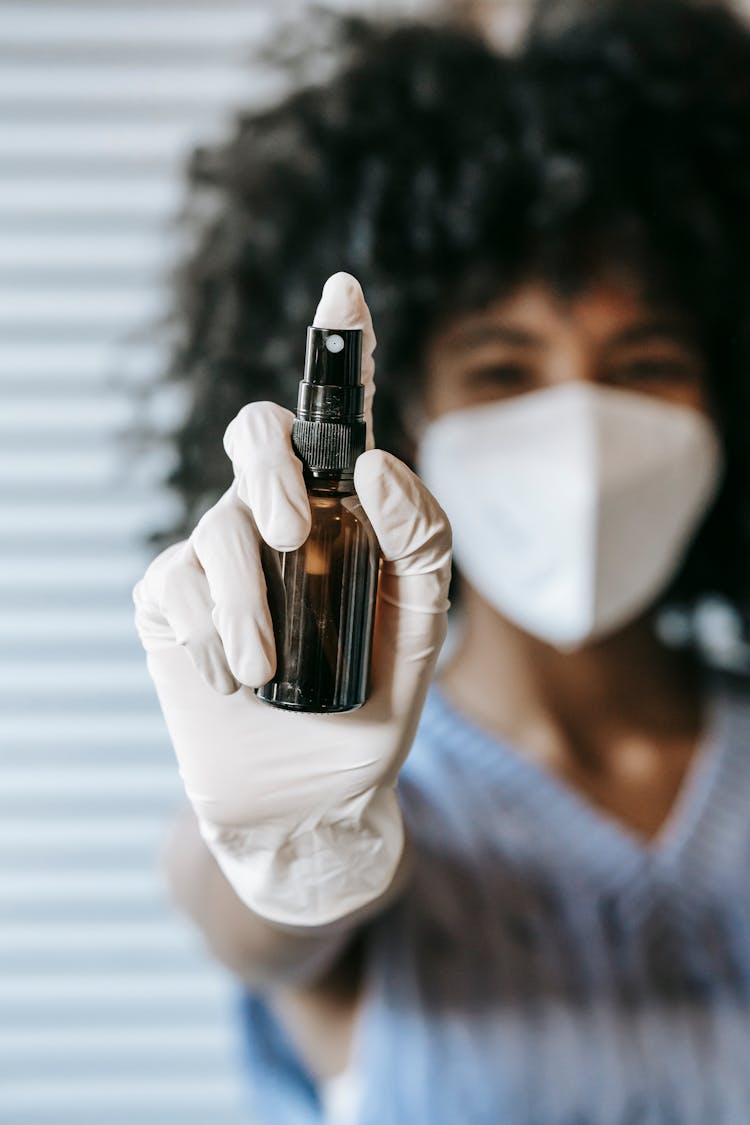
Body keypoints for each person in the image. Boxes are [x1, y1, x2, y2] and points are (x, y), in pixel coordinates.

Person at [133, 1, 750, 1121]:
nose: (580, 430)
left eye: (646, 359)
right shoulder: (361, 781)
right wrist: (291, 849)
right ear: (400, 425)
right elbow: (244, 917)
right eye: (504, 371)